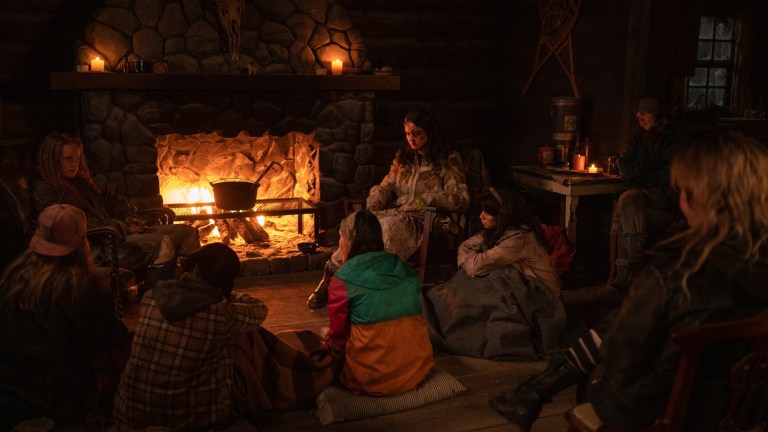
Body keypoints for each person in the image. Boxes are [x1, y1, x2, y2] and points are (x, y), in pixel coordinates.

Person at [490, 131, 768, 431]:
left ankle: (536, 389)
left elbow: (623, 357)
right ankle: (534, 390)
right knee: (629, 320)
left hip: (663, 413)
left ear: (695, 198)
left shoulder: (677, 272)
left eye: (681, 190)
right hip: (748, 410)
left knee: (603, 361)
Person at [114, 243, 336, 430]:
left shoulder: (152, 297)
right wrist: (225, 294)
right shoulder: (219, 314)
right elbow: (259, 310)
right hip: (189, 418)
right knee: (244, 338)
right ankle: (288, 380)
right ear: (225, 281)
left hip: (129, 413)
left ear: (195, 265)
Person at [307, 109, 470, 308]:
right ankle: (331, 278)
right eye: (408, 134)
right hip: (398, 212)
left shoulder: (447, 158)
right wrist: (377, 197)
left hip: (426, 219)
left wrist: (426, 198)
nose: (411, 139)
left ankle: (367, 287)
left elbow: (461, 198)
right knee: (357, 224)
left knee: (388, 229)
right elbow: (388, 185)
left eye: (417, 133)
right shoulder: (404, 157)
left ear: (429, 132)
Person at [0, 204, 130, 428]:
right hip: (55, 393)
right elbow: (110, 336)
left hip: (8, 385)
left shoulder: (14, 271)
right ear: (81, 241)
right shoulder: (75, 286)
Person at [422, 188, 566, 360]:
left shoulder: (518, 238)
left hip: (539, 295)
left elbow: (475, 267)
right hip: (513, 281)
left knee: (485, 281)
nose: (481, 216)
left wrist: (470, 263)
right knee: (476, 276)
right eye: (482, 211)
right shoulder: (497, 229)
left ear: (504, 215)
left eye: (488, 213)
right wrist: (470, 263)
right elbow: (465, 247)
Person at [32, 131, 200, 278]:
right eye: (68, 159)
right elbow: (74, 227)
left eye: (77, 158)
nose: (74, 163)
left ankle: (192, 287)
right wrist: (121, 228)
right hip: (100, 248)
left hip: (118, 235)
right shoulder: (47, 191)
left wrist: (129, 218)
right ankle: (173, 292)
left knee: (188, 232)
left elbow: (111, 201)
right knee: (163, 242)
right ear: (53, 160)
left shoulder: (80, 183)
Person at [325, 210, 435, 395]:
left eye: (341, 237)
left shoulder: (342, 281)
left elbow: (338, 337)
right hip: (417, 370)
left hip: (370, 379)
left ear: (349, 241)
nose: (339, 243)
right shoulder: (406, 270)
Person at [608, 97, 690, 300]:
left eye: (644, 112)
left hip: (666, 202)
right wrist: (653, 166)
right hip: (642, 196)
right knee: (628, 202)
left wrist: (643, 175)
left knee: (627, 215)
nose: (639, 116)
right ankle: (633, 271)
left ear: (657, 115)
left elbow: (671, 174)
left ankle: (622, 278)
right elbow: (625, 169)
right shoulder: (638, 140)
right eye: (638, 113)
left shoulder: (678, 140)